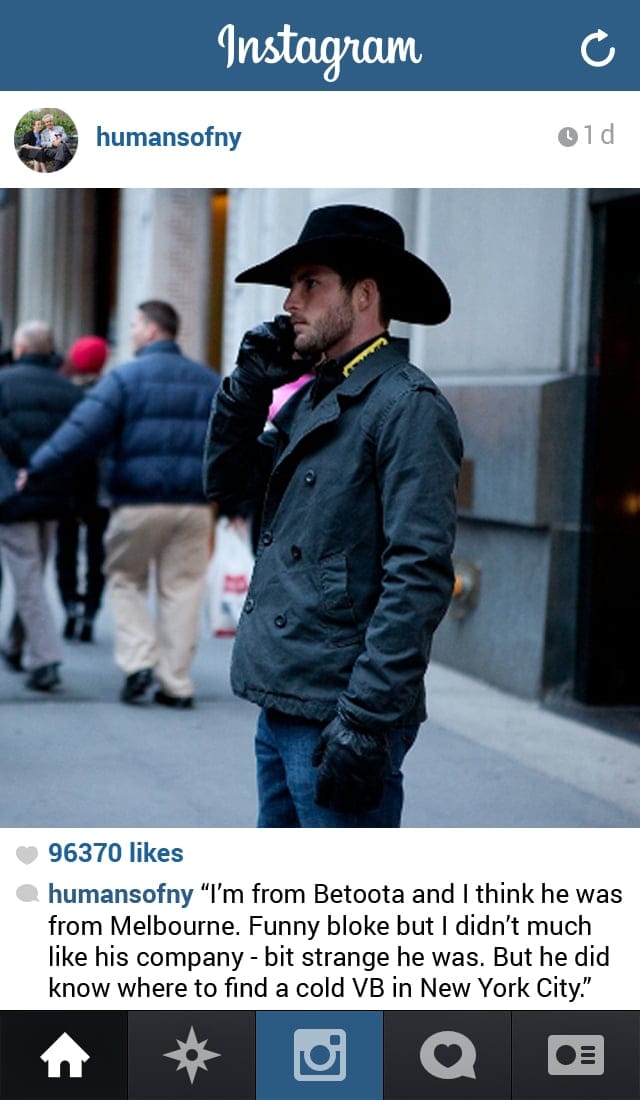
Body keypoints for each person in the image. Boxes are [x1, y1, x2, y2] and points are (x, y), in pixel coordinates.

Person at [204, 204, 463, 828]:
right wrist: (246, 389)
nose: (291, 302)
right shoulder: (318, 395)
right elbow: (229, 483)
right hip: (285, 698)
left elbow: (419, 573)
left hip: (341, 711)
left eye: (310, 283)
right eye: (293, 285)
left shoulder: (408, 405)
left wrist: (365, 719)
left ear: (365, 294)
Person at [25, 301, 220, 707]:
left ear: (151, 330)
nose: (130, 333)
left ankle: (139, 662)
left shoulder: (125, 380)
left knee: (125, 577)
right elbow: (234, 441)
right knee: (183, 589)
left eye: (133, 325)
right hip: (195, 505)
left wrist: (37, 467)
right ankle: (176, 683)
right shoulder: (208, 381)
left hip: (138, 500)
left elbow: (81, 431)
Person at [0, 321, 82, 690]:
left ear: (19, 348)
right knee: (32, 572)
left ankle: (45, 659)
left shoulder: (3, 383)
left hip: (12, 493)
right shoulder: (69, 390)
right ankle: (15, 644)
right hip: (55, 495)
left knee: (27, 576)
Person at [55, 335, 111, 642]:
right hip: (100, 484)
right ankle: (90, 609)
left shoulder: (65, 393)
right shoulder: (111, 391)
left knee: (65, 548)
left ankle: (69, 605)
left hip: (68, 482)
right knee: (96, 550)